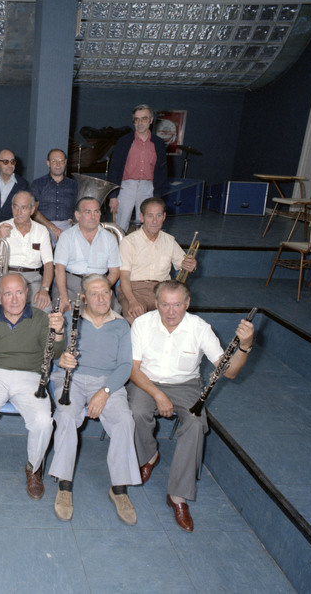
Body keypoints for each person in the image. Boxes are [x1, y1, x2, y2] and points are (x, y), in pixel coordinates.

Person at [128, 280, 254, 532]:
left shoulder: (200, 328)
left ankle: (178, 495)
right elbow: (133, 370)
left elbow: (229, 372)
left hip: (185, 385)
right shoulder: (142, 323)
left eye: (177, 305)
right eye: (165, 304)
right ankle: (149, 455)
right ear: (156, 303)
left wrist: (245, 345)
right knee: (137, 412)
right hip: (146, 381)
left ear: (187, 304)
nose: (170, 312)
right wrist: (158, 395)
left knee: (196, 424)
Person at [49, 274, 140, 522]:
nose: (101, 298)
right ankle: (64, 485)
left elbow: (125, 366)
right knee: (66, 416)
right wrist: (61, 358)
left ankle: (119, 489)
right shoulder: (71, 318)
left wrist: (105, 391)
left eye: (105, 292)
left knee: (124, 421)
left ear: (111, 294)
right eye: (94, 294)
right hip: (73, 378)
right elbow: (55, 354)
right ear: (84, 298)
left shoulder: (122, 325)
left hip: (108, 382)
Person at [0, 273, 65, 499]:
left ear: (27, 293)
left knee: (43, 421)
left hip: (30, 375)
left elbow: (55, 354)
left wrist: (58, 332)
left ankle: (34, 468)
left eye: (19, 293)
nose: (14, 299)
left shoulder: (40, 318)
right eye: (8, 294)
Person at [119, 197, 197, 323]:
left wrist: (191, 265)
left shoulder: (170, 241)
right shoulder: (129, 242)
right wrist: (132, 301)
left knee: (174, 319)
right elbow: (124, 277)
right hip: (135, 290)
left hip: (163, 290)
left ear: (164, 217)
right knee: (133, 320)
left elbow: (184, 264)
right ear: (142, 217)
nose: (155, 221)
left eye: (159, 216)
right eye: (150, 216)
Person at [0, 191, 54, 311]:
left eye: (24, 208)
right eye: (15, 207)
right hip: (4, 276)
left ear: (32, 210)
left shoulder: (42, 231)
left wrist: (44, 289)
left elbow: (48, 265)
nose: (19, 212)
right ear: (12, 207)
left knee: (45, 309)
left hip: (32, 280)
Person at [54, 196, 121, 313]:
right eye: (88, 212)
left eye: (96, 211)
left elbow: (115, 272)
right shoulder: (66, 236)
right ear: (77, 215)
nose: (93, 216)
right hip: (71, 285)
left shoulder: (109, 238)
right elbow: (59, 269)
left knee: (115, 311)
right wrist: (64, 298)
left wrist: (101, 288)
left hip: (99, 283)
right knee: (66, 314)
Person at [107, 104, 168, 232]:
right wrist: (113, 195)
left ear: (151, 120)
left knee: (145, 225)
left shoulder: (159, 143)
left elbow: (162, 172)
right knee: (120, 225)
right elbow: (114, 169)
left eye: (144, 119)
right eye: (136, 119)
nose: (140, 123)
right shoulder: (124, 141)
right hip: (126, 187)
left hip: (147, 188)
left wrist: (157, 195)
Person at [31, 149, 79, 243]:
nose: (58, 164)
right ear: (48, 163)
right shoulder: (38, 184)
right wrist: (53, 228)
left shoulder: (74, 185)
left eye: (61, 161)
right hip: (43, 226)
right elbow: (33, 211)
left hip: (68, 227)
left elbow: (78, 210)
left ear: (65, 163)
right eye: (54, 161)